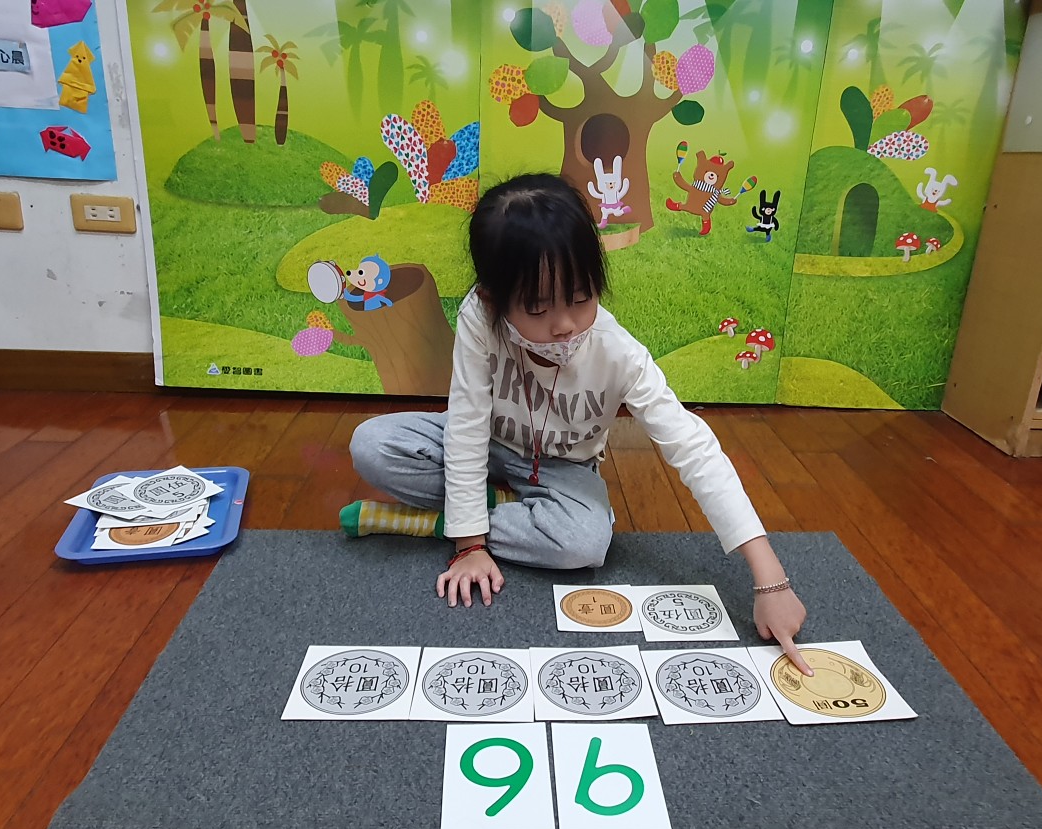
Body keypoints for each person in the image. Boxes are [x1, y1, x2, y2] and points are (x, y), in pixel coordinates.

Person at [343, 172, 810, 674]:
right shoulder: (480, 318)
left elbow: (693, 448)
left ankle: (442, 519)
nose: (564, 325)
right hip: (489, 447)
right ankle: (490, 515)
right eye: (538, 307)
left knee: (585, 543)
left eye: (581, 297)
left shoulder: (617, 353)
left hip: (562, 470)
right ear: (494, 298)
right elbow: (467, 426)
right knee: (372, 444)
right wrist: (469, 548)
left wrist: (770, 580)